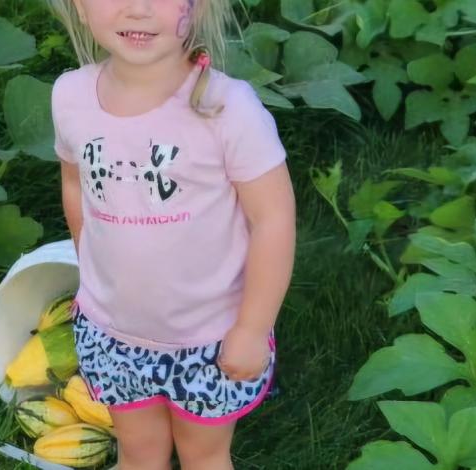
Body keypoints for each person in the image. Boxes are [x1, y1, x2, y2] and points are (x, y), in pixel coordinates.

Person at [48, 0, 295, 468]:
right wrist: (93, 268)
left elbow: (274, 219)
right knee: (138, 453)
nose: (138, 9)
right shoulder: (70, 96)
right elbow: (74, 183)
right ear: (80, 7)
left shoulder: (226, 109)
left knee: (203, 455)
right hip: (113, 333)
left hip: (209, 338)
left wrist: (252, 328)